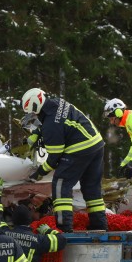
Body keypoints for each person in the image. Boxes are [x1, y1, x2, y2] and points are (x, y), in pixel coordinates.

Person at [21, 88, 107, 232]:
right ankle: (99, 225)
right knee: (92, 188)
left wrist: (40, 171)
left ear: (35, 106)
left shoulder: (50, 126)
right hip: (96, 145)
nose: (33, 116)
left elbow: (54, 157)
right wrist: (37, 133)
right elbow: (56, 121)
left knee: (61, 184)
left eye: (33, 113)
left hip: (79, 149)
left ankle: (64, 227)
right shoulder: (57, 103)